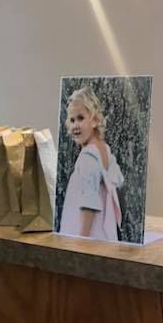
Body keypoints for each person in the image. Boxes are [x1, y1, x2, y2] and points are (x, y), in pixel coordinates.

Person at [59, 87, 125, 241]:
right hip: (103, 233)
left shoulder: (88, 157)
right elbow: (118, 180)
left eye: (81, 118)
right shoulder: (104, 150)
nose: (75, 125)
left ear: (95, 120)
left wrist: (81, 242)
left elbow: (89, 204)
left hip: (87, 235)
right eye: (72, 120)